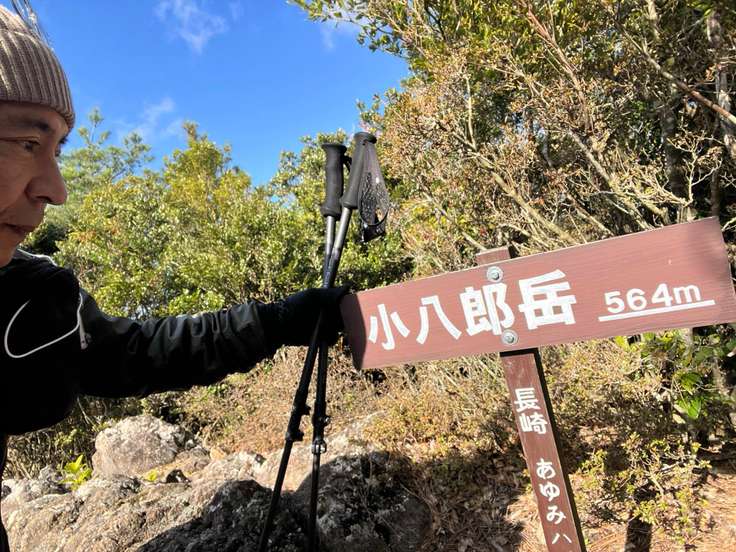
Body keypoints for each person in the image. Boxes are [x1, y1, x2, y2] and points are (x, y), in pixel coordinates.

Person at [0, 5, 347, 551]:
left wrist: (275, 322)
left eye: (57, 150)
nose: (56, 189)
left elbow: (134, 353)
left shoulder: (34, 296)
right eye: (27, 143)